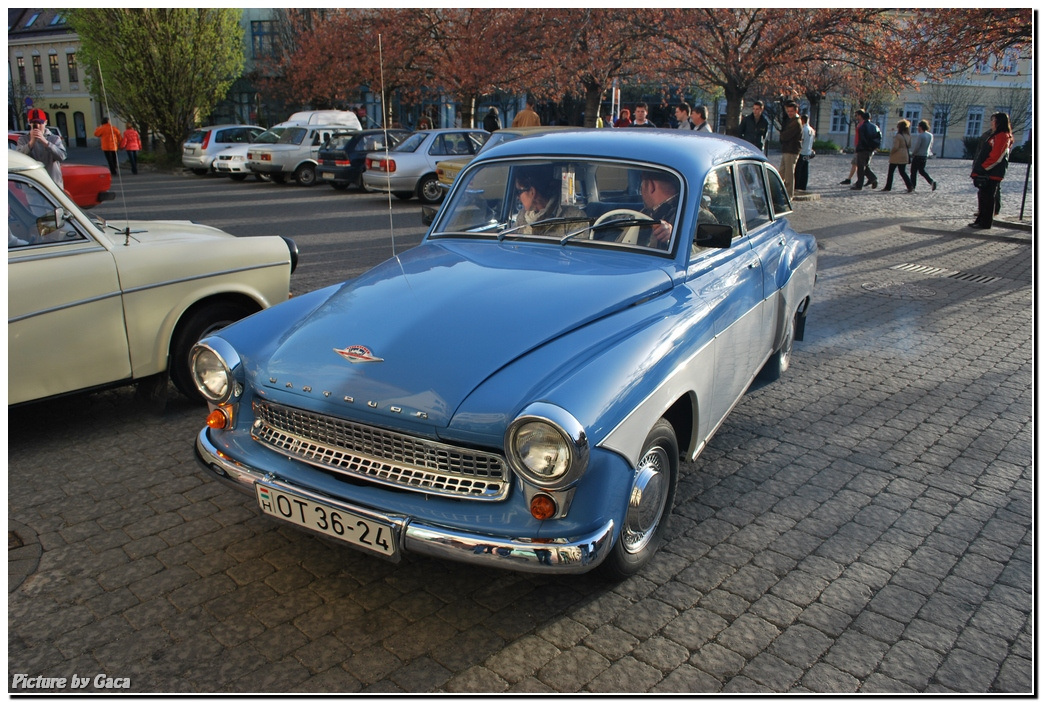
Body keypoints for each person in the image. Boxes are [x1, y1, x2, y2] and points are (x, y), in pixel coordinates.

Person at [513, 164, 585, 237]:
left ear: (532, 192)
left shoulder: (575, 219)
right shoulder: (522, 216)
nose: (517, 197)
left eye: (518, 192)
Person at [969, 112, 1013, 229]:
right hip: (988, 171)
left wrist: (983, 168)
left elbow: (996, 156)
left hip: (992, 172)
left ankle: (985, 222)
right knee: (983, 196)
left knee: (988, 198)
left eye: (993, 120)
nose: (991, 123)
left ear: (998, 122)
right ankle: (980, 220)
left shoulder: (1003, 136)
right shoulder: (995, 135)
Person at [16, 108, 67, 189]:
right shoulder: (23, 139)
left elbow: (62, 156)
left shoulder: (54, 138)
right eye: (34, 123)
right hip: (33, 186)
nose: (38, 126)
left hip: (53, 184)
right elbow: (19, 158)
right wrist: (31, 143)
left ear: (45, 122)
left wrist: (45, 142)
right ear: (29, 122)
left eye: (40, 123)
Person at [637, 171, 681, 249]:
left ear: (651, 186)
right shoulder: (646, 212)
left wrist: (674, 238)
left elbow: (703, 249)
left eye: (641, 187)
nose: (641, 193)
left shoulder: (697, 215)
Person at [850, 109, 879, 190]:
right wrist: (874, 147)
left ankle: (860, 184)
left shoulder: (862, 127)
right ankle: (872, 179)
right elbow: (879, 137)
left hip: (863, 149)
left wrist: (860, 147)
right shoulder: (875, 127)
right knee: (866, 166)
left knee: (861, 167)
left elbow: (862, 139)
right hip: (871, 149)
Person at [881, 120, 913, 192]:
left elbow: (896, 147)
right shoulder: (908, 136)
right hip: (905, 155)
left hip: (897, 155)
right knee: (902, 172)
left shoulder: (898, 136)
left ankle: (888, 187)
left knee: (891, 171)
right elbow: (910, 145)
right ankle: (910, 185)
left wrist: (891, 153)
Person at [778, 101, 802, 198]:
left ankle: (788, 195)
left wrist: (782, 136)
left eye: (791, 111)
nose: (789, 113)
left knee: (789, 174)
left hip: (791, 150)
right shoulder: (790, 120)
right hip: (787, 149)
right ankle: (779, 192)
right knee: (782, 172)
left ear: (796, 111)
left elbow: (786, 135)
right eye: (788, 111)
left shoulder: (796, 122)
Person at [909, 120, 937, 192]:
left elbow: (917, 146)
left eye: (918, 127)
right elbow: (930, 145)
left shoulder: (921, 136)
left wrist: (913, 153)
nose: (917, 128)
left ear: (920, 127)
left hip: (918, 155)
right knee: (922, 171)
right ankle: (931, 181)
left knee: (913, 171)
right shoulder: (930, 135)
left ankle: (912, 185)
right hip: (925, 155)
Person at [795, 114, 815, 191]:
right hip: (808, 152)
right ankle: (803, 186)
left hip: (802, 152)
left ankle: (797, 186)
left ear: (802, 120)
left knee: (798, 170)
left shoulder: (803, 130)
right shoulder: (812, 130)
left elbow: (801, 140)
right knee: (805, 170)